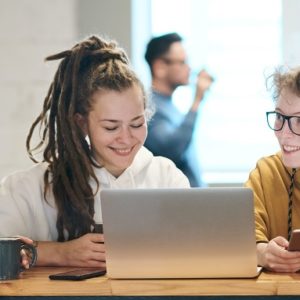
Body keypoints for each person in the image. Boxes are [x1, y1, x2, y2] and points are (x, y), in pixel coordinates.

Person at [0, 35, 190, 268]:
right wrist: (60, 253)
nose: (126, 138)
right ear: (81, 122)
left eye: (137, 124)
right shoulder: (33, 188)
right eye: (111, 127)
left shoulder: (166, 177)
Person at [245, 66, 300, 273]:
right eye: (279, 117)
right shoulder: (266, 172)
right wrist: (263, 253)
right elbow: (242, 238)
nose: (284, 134)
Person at [144, 32, 213, 187]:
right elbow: (171, 149)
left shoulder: (168, 105)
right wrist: (196, 101)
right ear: (160, 67)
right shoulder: (149, 107)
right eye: (182, 62)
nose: (188, 68)